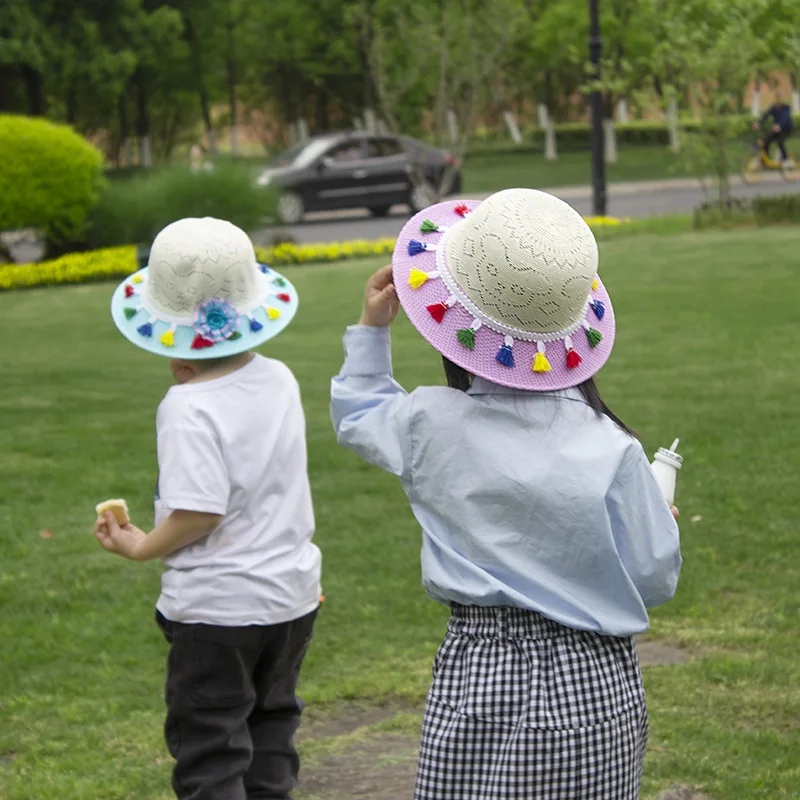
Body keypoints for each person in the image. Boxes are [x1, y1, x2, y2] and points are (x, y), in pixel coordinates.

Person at [330, 188, 682, 800]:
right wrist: (659, 523)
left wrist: (371, 331)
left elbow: (360, 414)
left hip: (477, 671)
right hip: (593, 680)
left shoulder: (428, 423)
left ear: (451, 322)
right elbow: (653, 576)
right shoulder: (611, 448)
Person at [94, 217, 321, 800]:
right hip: (291, 598)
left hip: (218, 612)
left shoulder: (186, 406)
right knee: (272, 729)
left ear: (175, 352)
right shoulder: (279, 378)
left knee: (212, 751)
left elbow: (199, 513)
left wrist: (140, 546)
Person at [754, 95, 794, 165]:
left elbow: (785, 118)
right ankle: (765, 162)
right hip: (776, 129)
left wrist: (779, 125)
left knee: (779, 141)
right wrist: (759, 123)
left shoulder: (786, 108)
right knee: (766, 142)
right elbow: (765, 115)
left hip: (786, 129)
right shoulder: (773, 108)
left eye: (778, 104)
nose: (776, 105)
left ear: (782, 103)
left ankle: (786, 160)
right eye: (776, 104)